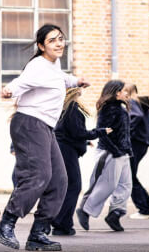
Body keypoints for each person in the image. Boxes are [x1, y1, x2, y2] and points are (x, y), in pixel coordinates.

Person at [0, 24, 89, 252]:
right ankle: (6, 223)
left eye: (61, 39)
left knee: (59, 180)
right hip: (29, 123)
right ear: (41, 46)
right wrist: (9, 90)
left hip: (45, 127)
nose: (59, 43)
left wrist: (76, 81)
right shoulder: (37, 65)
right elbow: (21, 82)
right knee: (39, 175)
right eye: (52, 40)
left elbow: (61, 78)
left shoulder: (54, 65)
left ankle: (38, 233)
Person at [51, 87, 111, 236]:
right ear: (76, 92)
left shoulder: (62, 107)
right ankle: (61, 224)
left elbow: (67, 131)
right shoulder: (72, 107)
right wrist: (101, 131)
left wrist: (85, 142)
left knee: (65, 187)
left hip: (61, 149)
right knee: (73, 186)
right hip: (66, 151)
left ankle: (60, 223)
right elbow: (78, 132)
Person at [76, 80, 133, 233]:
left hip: (122, 153)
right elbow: (102, 132)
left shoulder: (120, 108)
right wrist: (115, 151)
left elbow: (124, 133)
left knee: (125, 185)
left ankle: (115, 213)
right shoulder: (108, 109)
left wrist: (126, 150)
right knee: (107, 185)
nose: (126, 94)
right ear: (116, 92)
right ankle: (85, 210)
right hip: (110, 152)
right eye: (124, 91)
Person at [125, 84, 149, 220]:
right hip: (142, 143)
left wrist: (127, 132)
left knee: (129, 176)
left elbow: (136, 116)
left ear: (127, 92)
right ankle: (147, 201)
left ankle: (144, 210)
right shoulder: (143, 105)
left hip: (135, 143)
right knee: (130, 175)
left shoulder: (132, 102)